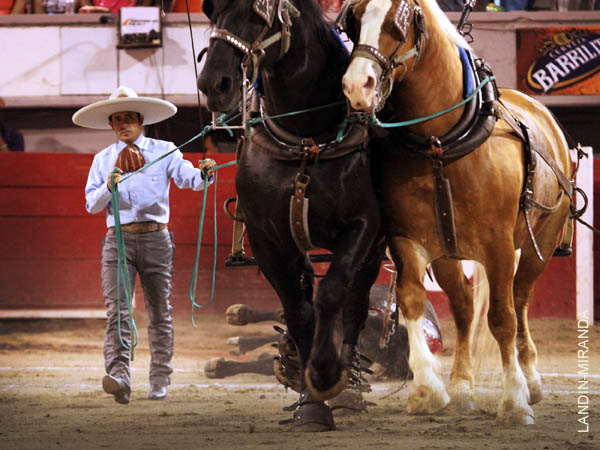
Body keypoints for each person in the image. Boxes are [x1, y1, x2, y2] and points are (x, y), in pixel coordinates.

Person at [74, 86, 216, 404]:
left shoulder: (164, 150)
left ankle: (160, 377)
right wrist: (109, 186)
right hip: (119, 240)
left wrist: (205, 174)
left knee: (160, 311)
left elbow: (189, 179)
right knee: (118, 311)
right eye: (117, 119)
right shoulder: (102, 160)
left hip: (156, 238)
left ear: (140, 120)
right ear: (111, 124)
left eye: (129, 118)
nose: (124, 124)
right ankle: (120, 376)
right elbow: (91, 206)